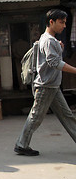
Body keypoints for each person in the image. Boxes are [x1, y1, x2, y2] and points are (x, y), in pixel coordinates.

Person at [15, 9, 76, 156]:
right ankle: (21, 144)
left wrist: (59, 48)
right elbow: (54, 62)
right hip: (45, 86)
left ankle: (21, 144)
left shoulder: (50, 40)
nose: (64, 26)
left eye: (65, 22)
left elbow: (52, 59)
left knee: (66, 115)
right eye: (61, 22)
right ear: (51, 22)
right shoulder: (48, 40)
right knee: (36, 116)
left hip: (52, 86)